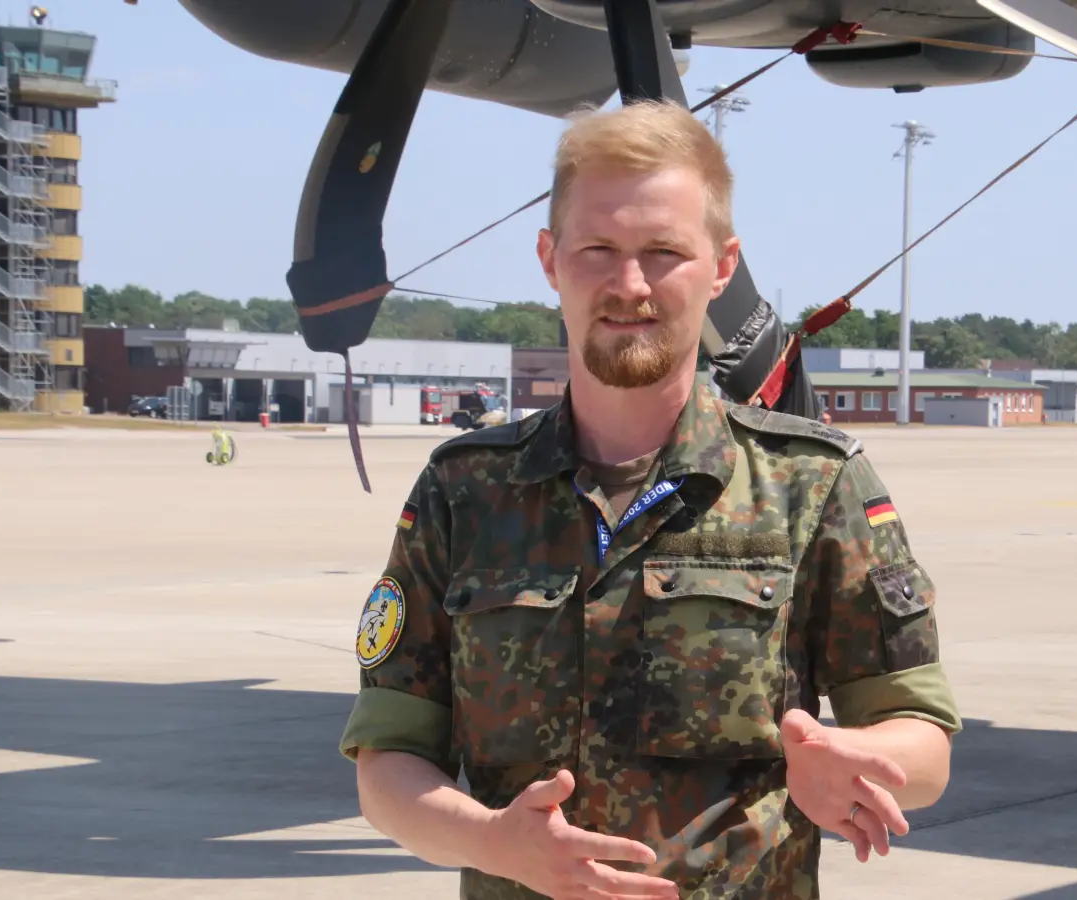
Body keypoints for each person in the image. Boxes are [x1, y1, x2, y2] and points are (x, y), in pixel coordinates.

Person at [338, 99, 961, 899]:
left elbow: (923, 741)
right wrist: (495, 842)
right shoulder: (465, 492)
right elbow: (387, 762)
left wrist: (862, 767)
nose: (630, 284)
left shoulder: (810, 484)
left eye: (664, 251)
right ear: (549, 257)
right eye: (598, 247)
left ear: (723, 266)